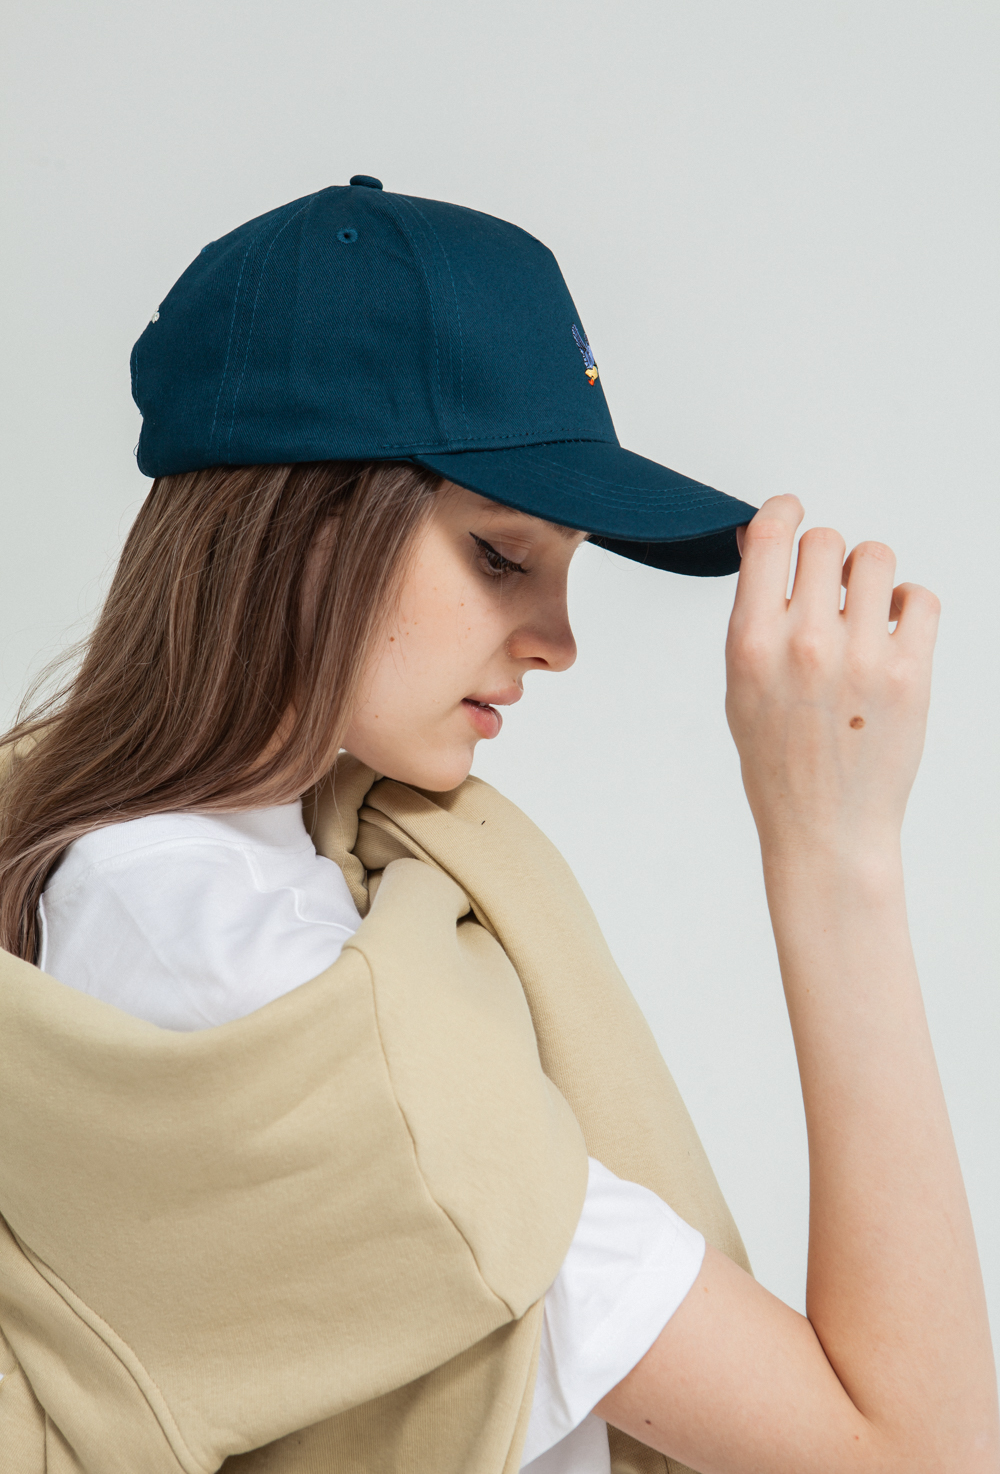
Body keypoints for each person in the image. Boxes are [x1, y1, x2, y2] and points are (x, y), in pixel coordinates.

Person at [0, 177, 995, 1474]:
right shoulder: (266, 999)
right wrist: (834, 849)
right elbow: (917, 1454)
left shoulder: (223, 874)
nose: (560, 642)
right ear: (307, 527)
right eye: (501, 556)